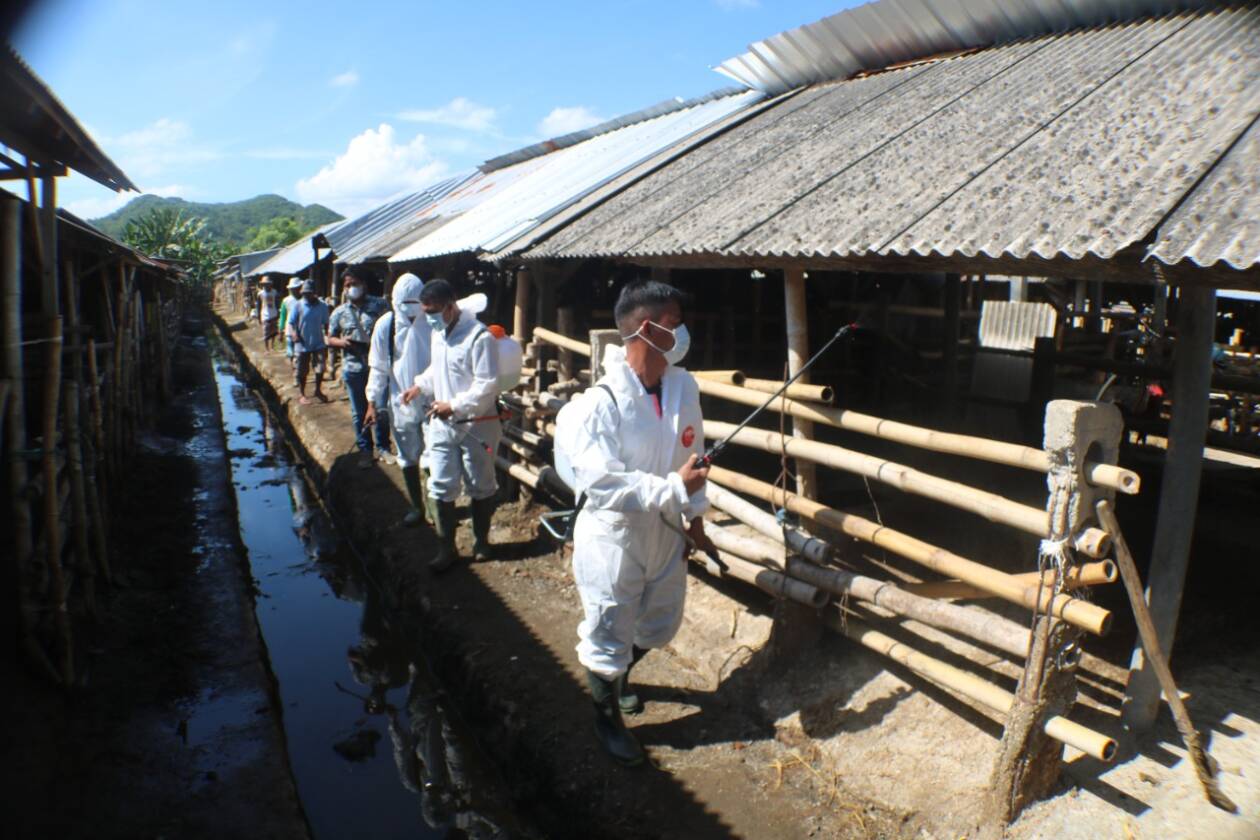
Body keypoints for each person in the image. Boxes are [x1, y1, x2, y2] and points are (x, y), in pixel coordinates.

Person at [561, 280, 712, 766]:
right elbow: (602, 483)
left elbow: (694, 456)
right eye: (674, 323)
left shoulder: (682, 386)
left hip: (665, 531)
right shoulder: (599, 404)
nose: (683, 332)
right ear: (646, 329)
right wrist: (672, 489)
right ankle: (606, 720)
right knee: (608, 631)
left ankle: (623, 676)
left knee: (658, 623)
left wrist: (695, 517)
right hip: (614, 537)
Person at [403, 278, 501, 572]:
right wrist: (420, 385)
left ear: (450, 306)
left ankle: (481, 543)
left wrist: (455, 405)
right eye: (426, 312)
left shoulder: (478, 337)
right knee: (441, 484)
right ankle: (446, 549)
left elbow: (487, 385)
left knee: (480, 484)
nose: (429, 318)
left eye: (433, 311)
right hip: (442, 423)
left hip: (476, 424)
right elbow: (439, 368)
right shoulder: (439, 335)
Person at [329, 270, 392, 468]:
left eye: (354, 283)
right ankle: (365, 450)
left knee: (381, 409)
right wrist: (341, 342)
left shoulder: (380, 305)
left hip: (378, 368)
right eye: (347, 285)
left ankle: (384, 448)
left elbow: (393, 331)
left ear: (363, 284)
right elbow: (328, 337)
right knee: (359, 413)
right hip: (353, 369)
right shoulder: (339, 312)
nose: (351, 288)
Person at [288, 280, 331, 405]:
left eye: (309, 293)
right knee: (302, 370)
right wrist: (293, 334)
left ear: (314, 293)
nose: (306, 295)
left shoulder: (322, 306)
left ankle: (318, 390)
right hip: (302, 343)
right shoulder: (298, 306)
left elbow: (326, 323)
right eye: (304, 293)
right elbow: (291, 323)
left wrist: (328, 336)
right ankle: (302, 394)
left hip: (318, 342)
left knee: (320, 368)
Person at [278, 277, 302, 365]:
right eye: (295, 289)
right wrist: (280, 330)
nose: (296, 290)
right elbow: (283, 316)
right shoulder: (286, 301)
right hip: (289, 328)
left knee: (298, 350)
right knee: (290, 349)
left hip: (301, 328)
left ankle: (296, 365)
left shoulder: (303, 300)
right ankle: (293, 365)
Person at [258, 277, 280, 351]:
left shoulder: (274, 292)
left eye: (267, 284)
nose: (266, 285)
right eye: (264, 284)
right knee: (266, 333)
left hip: (273, 314)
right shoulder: (260, 294)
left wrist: (278, 313)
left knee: (273, 332)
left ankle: (272, 346)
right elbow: (259, 306)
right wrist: (258, 317)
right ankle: (267, 348)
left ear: (270, 284)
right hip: (265, 315)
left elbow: (277, 303)